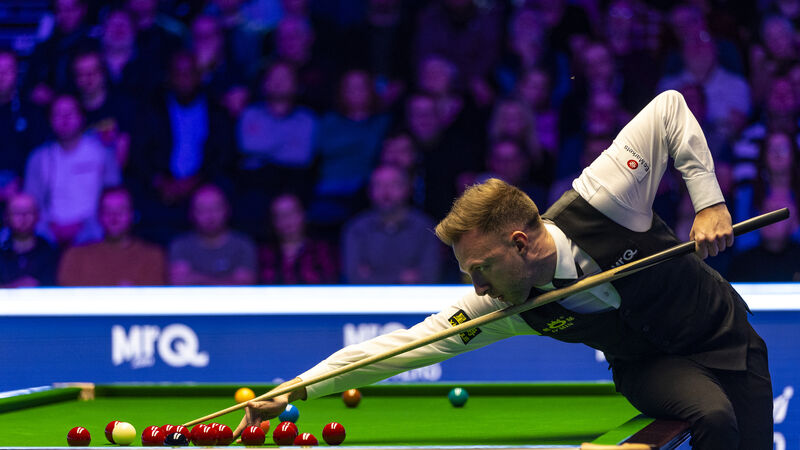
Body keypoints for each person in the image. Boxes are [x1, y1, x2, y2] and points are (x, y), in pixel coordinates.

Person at [232, 91, 772, 450]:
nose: (478, 286)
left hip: (723, 334)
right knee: (713, 417)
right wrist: (297, 388)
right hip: (649, 367)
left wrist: (709, 202)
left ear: (520, 244)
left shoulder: (604, 197)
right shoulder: (502, 303)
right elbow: (402, 347)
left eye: (481, 269)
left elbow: (669, 109)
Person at [24, 94, 122, 245]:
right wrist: (51, 225)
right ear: (50, 120)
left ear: (82, 117)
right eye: (58, 114)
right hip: (50, 231)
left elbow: (114, 195)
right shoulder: (38, 158)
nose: (65, 119)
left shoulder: (102, 153)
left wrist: (83, 225)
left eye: (70, 113)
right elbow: (32, 202)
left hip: (92, 228)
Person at [341, 165, 442, 284]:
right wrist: (404, 278)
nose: (385, 192)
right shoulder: (357, 228)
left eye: (394, 185)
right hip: (368, 295)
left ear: (408, 189)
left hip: (413, 295)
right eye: (378, 185)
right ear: (369, 191)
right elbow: (354, 277)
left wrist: (373, 276)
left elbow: (429, 276)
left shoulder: (425, 227)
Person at [58, 186, 166, 286]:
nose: (114, 217)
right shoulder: (76, 257)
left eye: (121, 210)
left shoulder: (152, 257)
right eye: (107, 210)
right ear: (99, 215)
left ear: (132, 214)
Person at [169, 184, 257, 285]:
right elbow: (179, 281)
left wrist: (196, 278)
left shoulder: (243, 245)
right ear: (192, 213)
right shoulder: (181, 245)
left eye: (216, 208)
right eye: (202, 210)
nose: (210, 216)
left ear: (227, 210)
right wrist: (228, 280)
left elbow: (244, 283)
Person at [0, 193, 59, 287]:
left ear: (37, 216)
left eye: (29, 212)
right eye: (17, 212)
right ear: (6, 217)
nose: (23, 217)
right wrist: (14, 287)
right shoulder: (1, 252)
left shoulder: (49, 252)